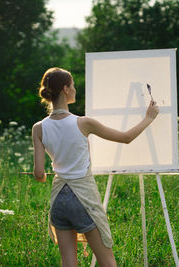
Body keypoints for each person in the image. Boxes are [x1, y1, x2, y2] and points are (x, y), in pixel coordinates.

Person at [32, 67, 159, 267]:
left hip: (59, 199)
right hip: (83, 198)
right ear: (65, 89)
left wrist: (48, 174)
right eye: (72, 85)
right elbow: (125, 138)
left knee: (68, 263)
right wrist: (149, 118)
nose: (74, 89)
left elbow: (39, 174)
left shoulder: (38, 128)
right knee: (107, 261)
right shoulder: (83, 123)